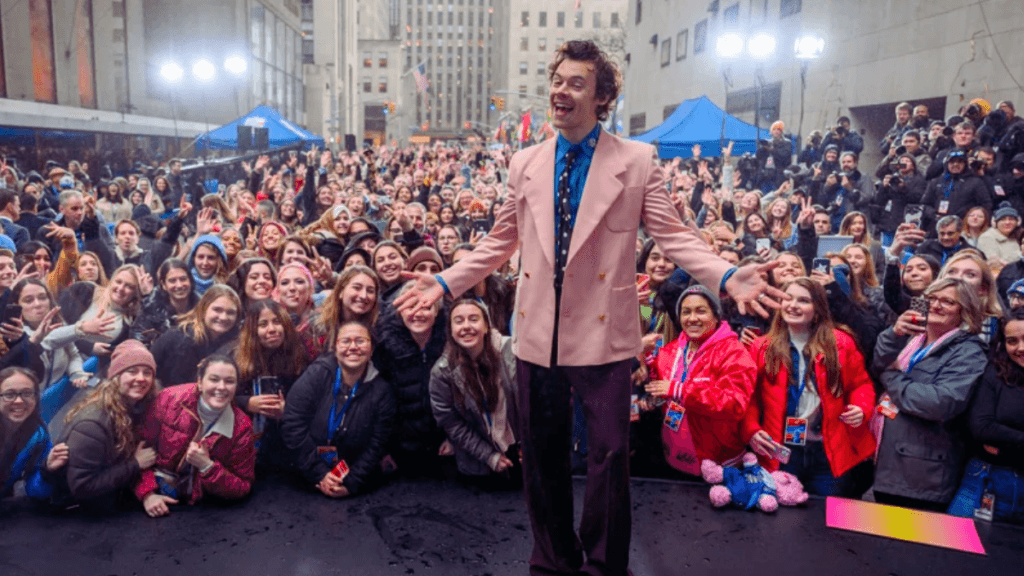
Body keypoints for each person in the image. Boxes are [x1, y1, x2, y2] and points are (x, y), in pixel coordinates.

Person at [395, 40, 780, 576]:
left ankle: (602, 565)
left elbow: (674, 236)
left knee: (608, 462)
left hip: (603, 336)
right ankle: (552, 560)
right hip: (537, 334)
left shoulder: (638, 160)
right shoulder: (524, 161)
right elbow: (499, 241)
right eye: (557, 80)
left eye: (576, 83)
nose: (560, 90)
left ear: (602, 99)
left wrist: (728, 273)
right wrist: (444, 279)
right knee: (542, 459)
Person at [743, 278, 876, 497]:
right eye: (787, 299)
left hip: (828, 451)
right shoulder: (761, 346)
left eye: (803, 300)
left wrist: (861, 407)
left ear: (817, 310)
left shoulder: (840, 343)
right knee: (782, 515)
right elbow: (750, 397)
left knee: (827, 516)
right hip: (781, 450)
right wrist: (751, 430)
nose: (793, 305)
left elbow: (861, 384)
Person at [871, 277, 987, 511]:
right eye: (931, 298)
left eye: (947, 302)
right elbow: (877, 363)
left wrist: (891, 377)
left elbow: (937, 403)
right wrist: (894, 334)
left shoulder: (969, 351)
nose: (935, 305)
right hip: (885, 459)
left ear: (964, 312)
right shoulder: (912, 337)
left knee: (909, 545)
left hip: (922, 474)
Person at [644, 285, 756, 469]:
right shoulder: (671, 350)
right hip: (673, 457)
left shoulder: (734, 353)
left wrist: (681, 390)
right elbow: (661, 385)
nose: (692, 318)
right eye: (686, 312)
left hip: (717, 464)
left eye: (701, 311)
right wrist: (645, 361)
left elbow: (734, 405)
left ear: (716, 316)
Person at [281, 321, 396, 498]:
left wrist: (352, 482)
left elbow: (378, 443)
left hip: (359, 484)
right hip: (306, 481)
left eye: (360, 341)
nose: (353, 347)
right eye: (345, 341)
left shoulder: (382, 390)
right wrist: (319, 474)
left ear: (371, 349)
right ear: (335, 348)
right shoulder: (317, 374)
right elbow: (292, 424)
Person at [133, 355, 256, 517]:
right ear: (200, 382)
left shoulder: (242, 426)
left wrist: (207, 466)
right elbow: (137, 452)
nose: (221, 387)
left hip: (201, 511)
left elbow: (242, 486)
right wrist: (147, 494)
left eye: (229, 381)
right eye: (214, 379)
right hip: (150, 500)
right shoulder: (169, 399)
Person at [429, 299, 520, 489]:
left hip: (521, 452)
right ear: (451, 330)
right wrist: (488, 456)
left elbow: (529, 403)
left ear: (486, 326)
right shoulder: (443, 371)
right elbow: (451, 423)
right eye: (459, 321)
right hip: (477, 462)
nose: (466, 327)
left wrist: (529, 445)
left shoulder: (511, 351)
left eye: (473, 319)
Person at [57, 340, 158, 510]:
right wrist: (135, 464)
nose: (141, 378)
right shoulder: (92, 424)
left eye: (147, 372)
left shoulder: (137, 406)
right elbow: (82, 486)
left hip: (112, 499)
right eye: (132, 371)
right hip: (78, 513)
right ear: (116, 377)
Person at [946, 308, 1024, 524]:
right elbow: (981, 427)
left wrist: (1004, 442)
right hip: (985, 481)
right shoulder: (995, 373)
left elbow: (993, 432)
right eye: (1012, 341)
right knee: (956, 550)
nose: (1020, 348)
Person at [234, 300, 309, 471]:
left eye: (276, 322)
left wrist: (288, 410)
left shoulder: (299, 353)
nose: (272, 329)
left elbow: (311, 400)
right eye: (263, 324)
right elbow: (217, 398)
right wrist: (247, 403)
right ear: (252, 330)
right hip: (246, 441)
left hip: (285, 444)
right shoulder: (236, 357)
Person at [150, 285, 240, 387]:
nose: (224, 317)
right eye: (217, 310)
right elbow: (150, 371)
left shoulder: (238, 344)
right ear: (203, 309)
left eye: (230, 312)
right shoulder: (177, 337)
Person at [0, 367, 68, 499]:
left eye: (27, 393)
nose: (19, 401)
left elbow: (35, 491)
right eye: (9, 394)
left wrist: (47, 471)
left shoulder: (38, 436)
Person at [131, 259, 196, 347]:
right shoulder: (150, 310)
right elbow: (137, 344)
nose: (179, 285)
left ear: (190, 281)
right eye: (172, 281)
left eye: (183, 279)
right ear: (164, 285)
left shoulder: (202, 308)